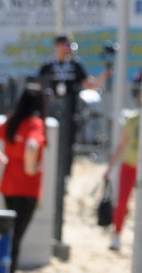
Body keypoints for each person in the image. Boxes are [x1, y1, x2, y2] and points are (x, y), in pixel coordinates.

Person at [0, 82, 47, 273]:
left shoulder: (12, 121)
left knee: (11, 232)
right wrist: (29, 168)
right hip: (27, 188)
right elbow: (31, 146)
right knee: (17, 234)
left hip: (9, 185)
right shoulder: (35, 124)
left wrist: (4, 161)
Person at [37, 33, 111, 178]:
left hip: (70, 112)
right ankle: (48, 173)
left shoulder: (76, 65)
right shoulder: (47, 67)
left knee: (67, 145)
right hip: (50, 112)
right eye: (66, 45)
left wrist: (104, 77)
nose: (69, 49)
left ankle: (65, 176)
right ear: (57, 46)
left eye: (70, 46)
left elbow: (90, 84)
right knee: (48, 143)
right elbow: (38, 86)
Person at [103, 72, 142, 252]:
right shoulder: (133, 119)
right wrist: (109, 168)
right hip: (129, 166)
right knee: (122, 202)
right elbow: (122, 145)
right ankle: (117, 235)